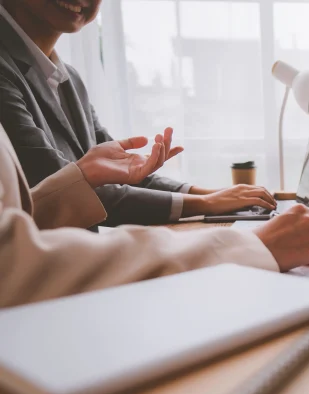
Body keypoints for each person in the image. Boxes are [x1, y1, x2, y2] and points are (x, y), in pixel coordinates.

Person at [0, 120, 309, 308]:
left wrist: (77, 179)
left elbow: (14, 217)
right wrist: (246, 245)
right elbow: (12, 264)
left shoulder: (68, 77)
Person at [0, 0, 277, 226]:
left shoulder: (67, 77)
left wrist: (212, 194)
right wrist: (204, 204)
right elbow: (68, 189)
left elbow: (119, 171)